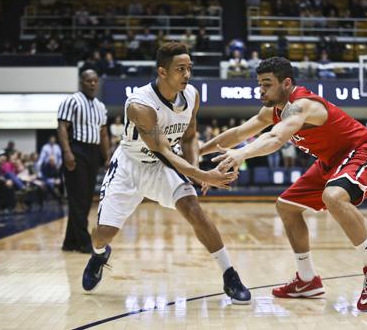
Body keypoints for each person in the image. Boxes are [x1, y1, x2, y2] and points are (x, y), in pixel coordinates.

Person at [201, 57, 367, 311]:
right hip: (330, 161)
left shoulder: (301, 106)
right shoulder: (274, 110)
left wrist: (241, 154)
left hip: (363, 151)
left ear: (286, 83)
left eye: (267, 84)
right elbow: (238, 133)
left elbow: (276, 137)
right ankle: (307, 280)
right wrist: (197, 153)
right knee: (286, 207)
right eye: (260, 84)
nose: (261, 90)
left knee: (333, 197)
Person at [81, 42, 251, 304]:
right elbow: (163, 151)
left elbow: (190, 137)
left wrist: (196, 175)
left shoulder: (192, 95)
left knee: (195, 211)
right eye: (180, 69)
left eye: (189, 68)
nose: (187, 75)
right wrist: (202, 175)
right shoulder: (140, 105)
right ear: (162, 72)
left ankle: (230, 275)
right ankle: (100, 254)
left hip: (162, 168)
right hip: (130, 167)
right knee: (102, 233)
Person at [58, 69, 110, 253]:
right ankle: (84, 242)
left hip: (93, 152)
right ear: (82, 82)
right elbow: (62, 127)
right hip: (76, 150)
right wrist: (67, 152)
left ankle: (69, 242)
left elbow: (104, 133)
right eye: (89, 81)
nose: (93, 84)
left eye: (95, 80)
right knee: (78, 198)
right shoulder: (71, 101)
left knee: (86, 199)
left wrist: (107, 157)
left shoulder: (100, 106)